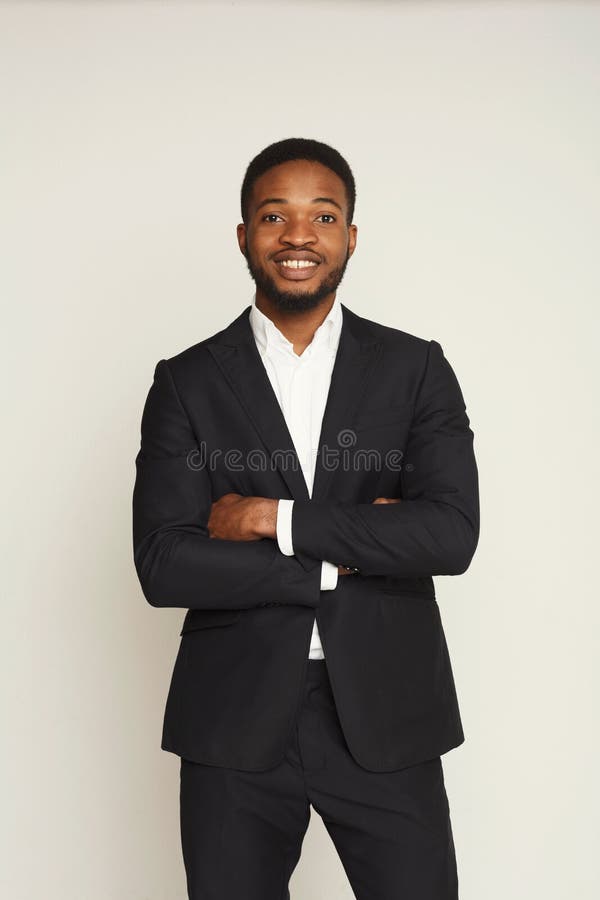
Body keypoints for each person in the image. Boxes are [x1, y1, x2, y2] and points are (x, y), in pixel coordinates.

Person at [132, 137, 480, 899]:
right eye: (273, 216)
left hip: (388, 711)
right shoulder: (186, 383)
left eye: (323, 215)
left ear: (350, 235)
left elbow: (449, 535)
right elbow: (165, 563)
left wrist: (273, 518)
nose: (298, 235)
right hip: (233, 718)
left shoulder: (414, 367)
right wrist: (353, 550)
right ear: (244, 236)